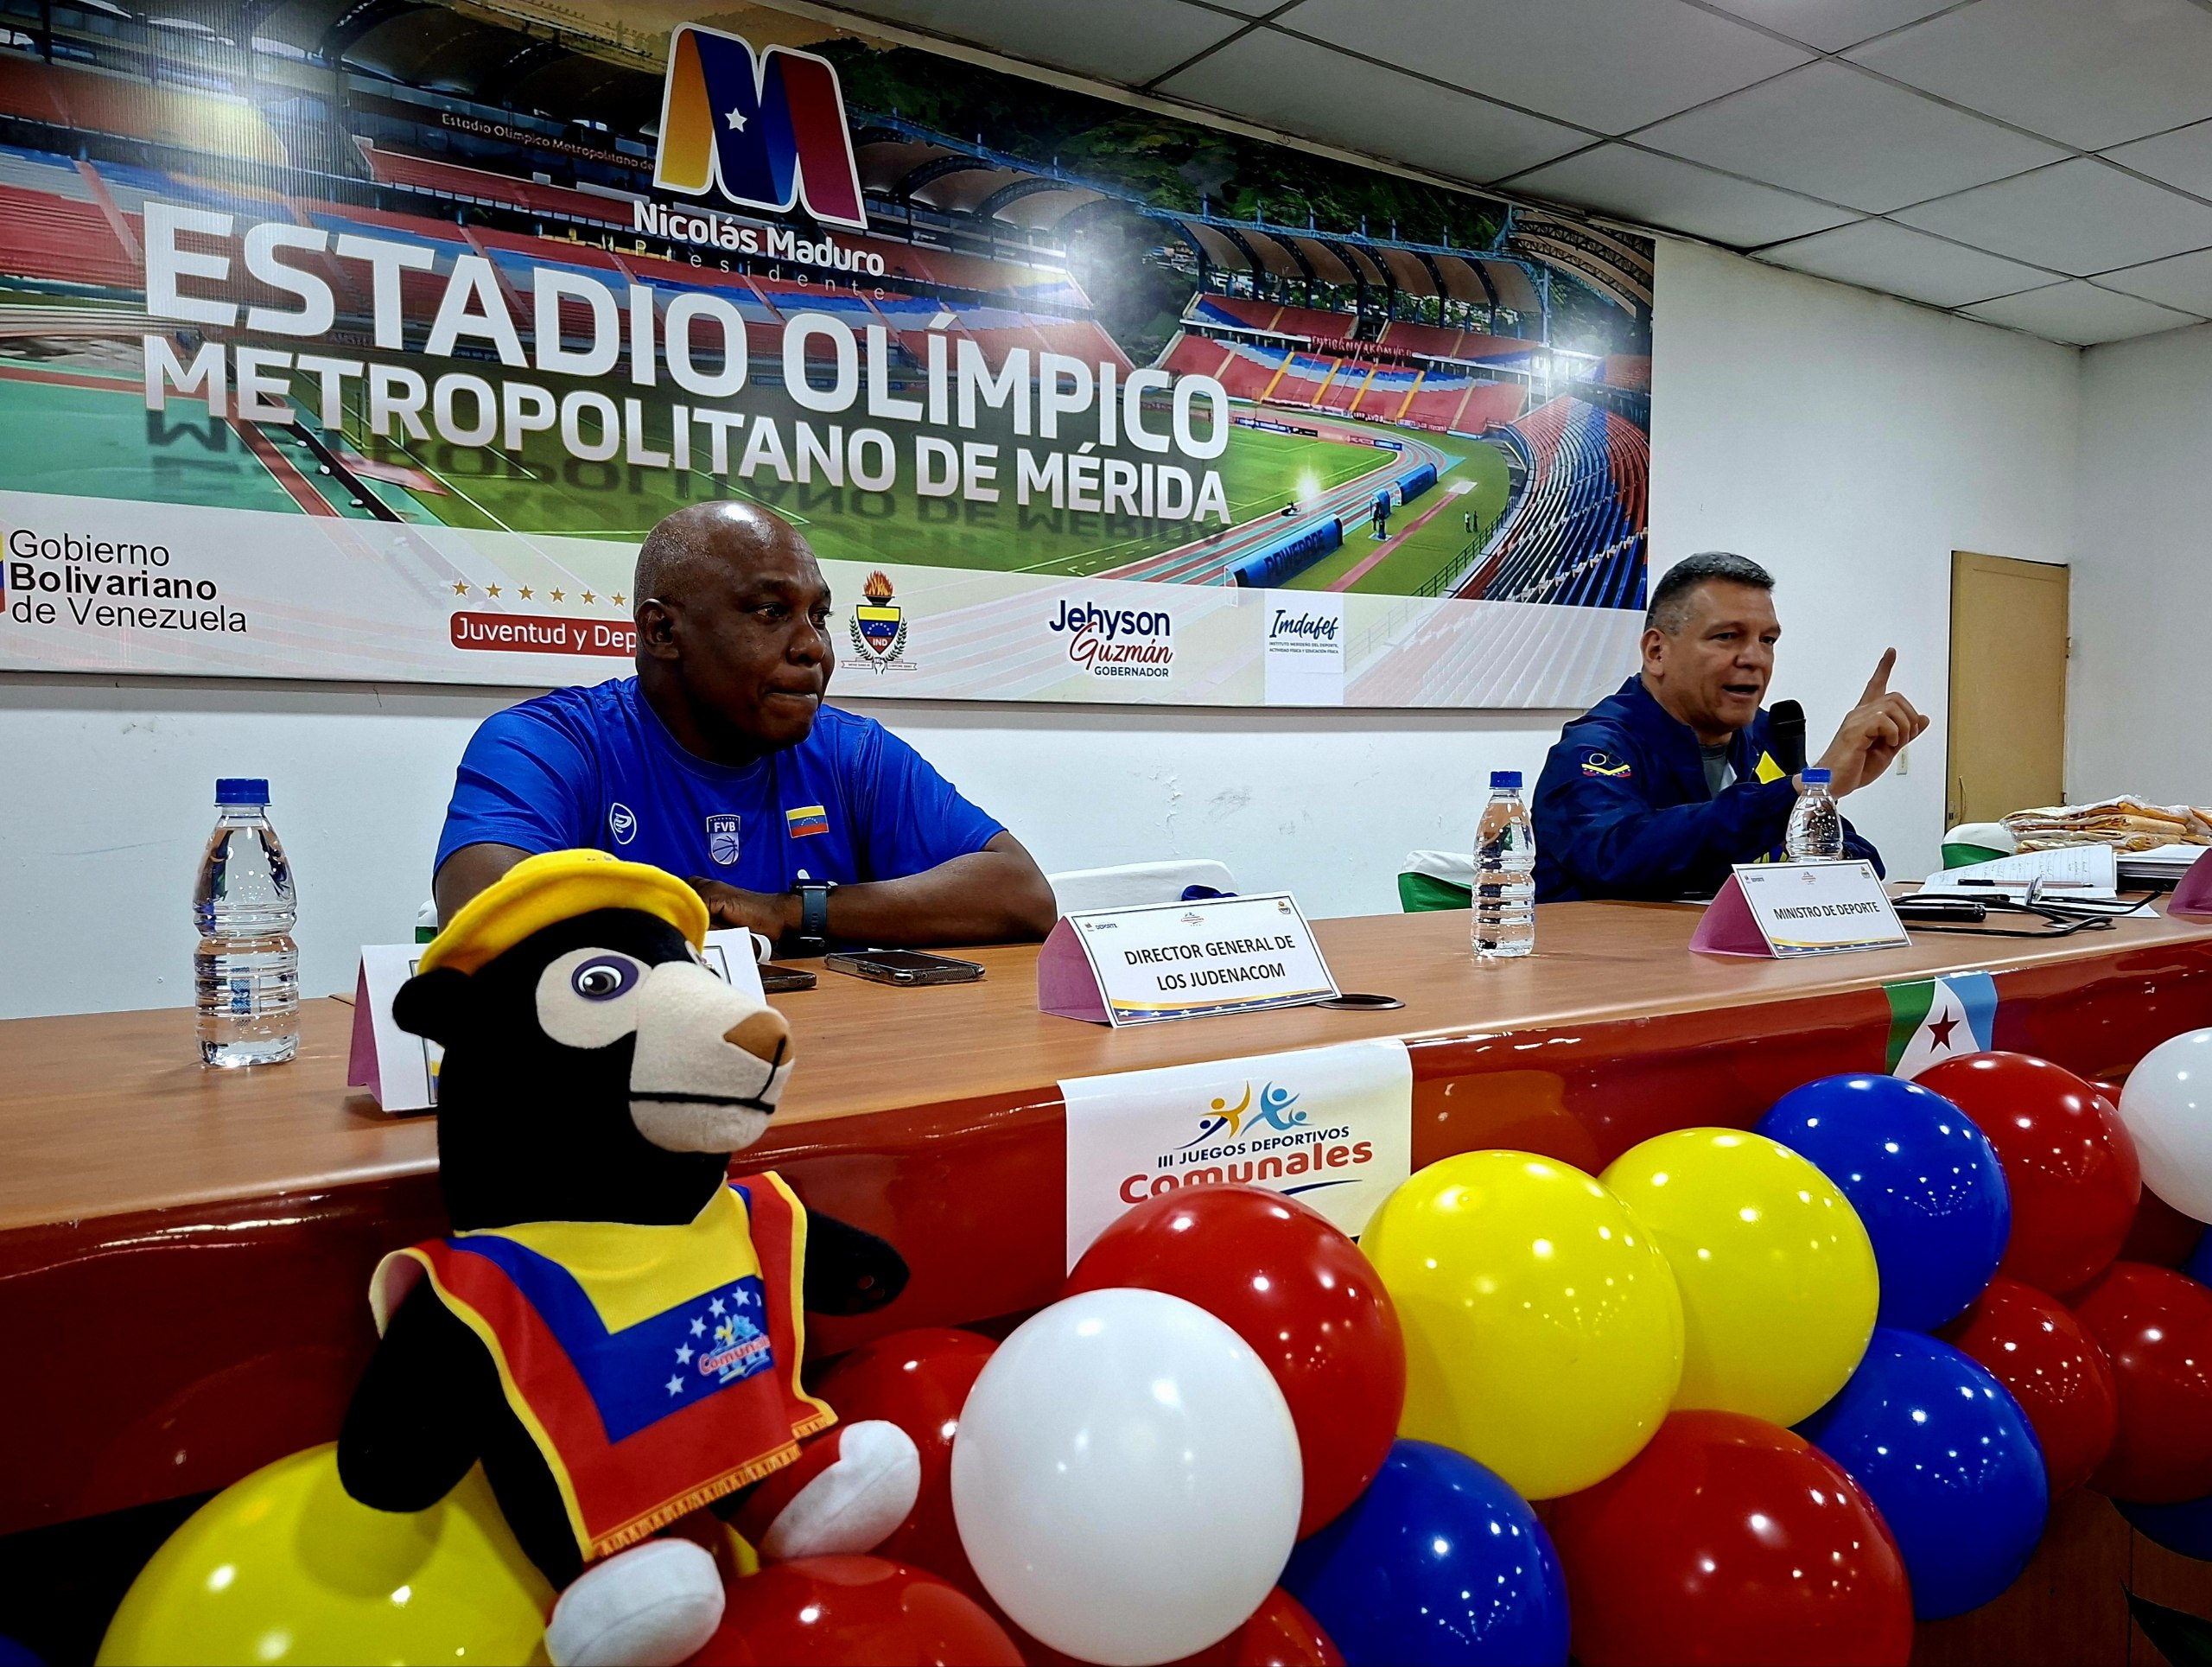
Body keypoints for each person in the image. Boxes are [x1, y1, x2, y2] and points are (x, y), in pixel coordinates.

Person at [433, 502, 1058, 953]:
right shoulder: (549, 744)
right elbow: (485, 915)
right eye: (771, 611)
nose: (813, 647)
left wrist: (791, 912)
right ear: (662, 631)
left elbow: (1022, 895)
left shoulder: (850, 752)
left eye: (818, 616)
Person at [1533, 550, 1929, 903]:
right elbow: (1619, 855)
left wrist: (1821, 803)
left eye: (1768, 640)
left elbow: (1860, 859)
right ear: (1656, 652)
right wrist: (1798, 791)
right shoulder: (1596, 748)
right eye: (1727, 637)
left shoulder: (1769, 734)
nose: (1755, 658)